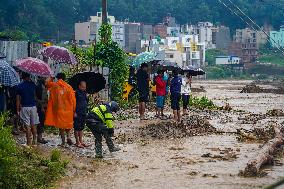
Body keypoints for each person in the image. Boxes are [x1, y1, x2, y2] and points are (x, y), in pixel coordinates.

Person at [45, 73, 76, 147]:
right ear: (65, 78)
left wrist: (52, 77)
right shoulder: (69, 87)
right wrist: (74, 110)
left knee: (61, 127)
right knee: (68, 125)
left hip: (59, 110)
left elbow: (47, 84)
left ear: (57, 78)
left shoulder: (54, 85)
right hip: (68, 110)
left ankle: (63, 142)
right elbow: (73, 100)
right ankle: (68, 137)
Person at [16, 72, 39, 146]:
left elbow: (18, 100)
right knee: (34, 125)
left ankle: (28, 143)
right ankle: (35, 141)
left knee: (27, 126)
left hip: (25, 107)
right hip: (33, 107)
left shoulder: (19, 86)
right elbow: (35, 96)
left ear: (22, 77)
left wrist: (17, 109)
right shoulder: (33, 85)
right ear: (29, 77)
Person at [74, 81, 89, 148]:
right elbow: (73, 103)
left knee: (81, 127)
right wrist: (74, 112)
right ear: (79, 86)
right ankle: (77, 142)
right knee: (77, 127)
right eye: (83, 87)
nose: (84, 88)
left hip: (83, 112)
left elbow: (86, 101)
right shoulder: (75, 93)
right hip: (77, 112)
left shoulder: (85, 93)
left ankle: (81, 141)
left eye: (85, 87)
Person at [35, 77, 48, 144]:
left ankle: (38, 137)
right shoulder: (41, 87)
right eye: (45, 78)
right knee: (41, 122)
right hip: (41, 108)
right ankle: (39, 138)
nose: (46, 80)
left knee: (39, 122)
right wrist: (42, 107)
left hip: (39, 107)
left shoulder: (38, 86)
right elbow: (41, 99)